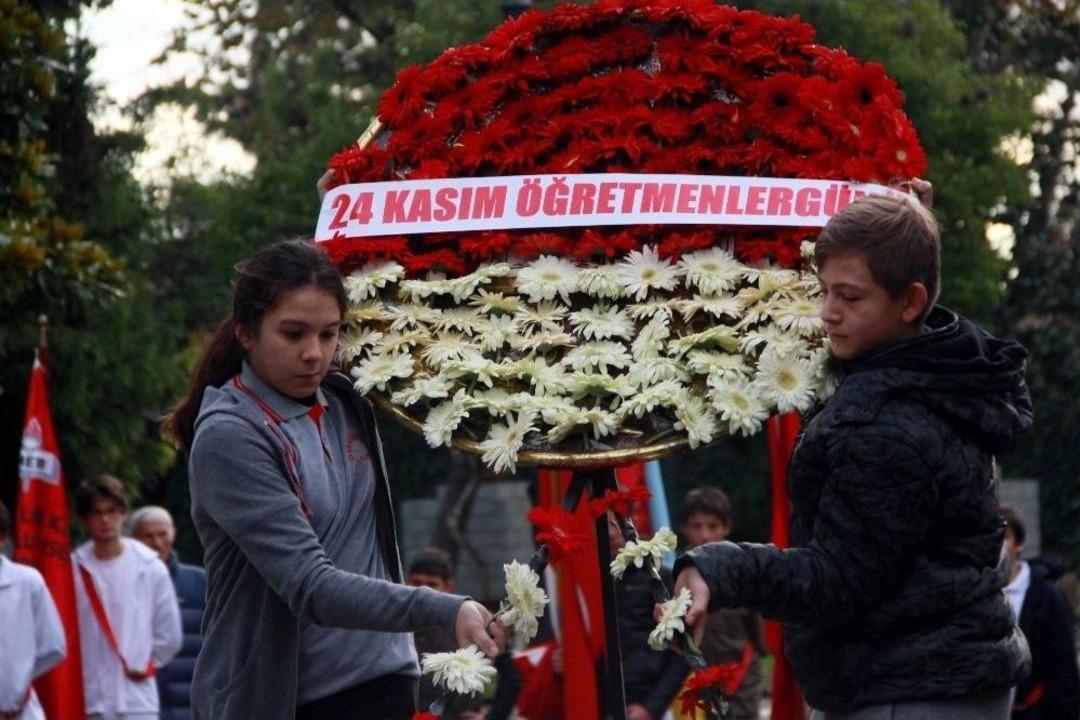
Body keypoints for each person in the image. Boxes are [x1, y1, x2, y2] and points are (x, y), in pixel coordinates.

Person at [672, 191, 1033, 719]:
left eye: (850, 297)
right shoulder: (934, 368)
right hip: (930, 677)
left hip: (908, 689)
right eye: (823, 291)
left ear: (910, 302)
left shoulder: (886, 430)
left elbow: (838, 578)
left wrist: (719, 568)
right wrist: (906, 220)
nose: (826, 312)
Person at [161, 239, 504, 720]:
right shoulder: (229, 436)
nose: (314, 354)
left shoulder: (346, 396)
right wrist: (443, 607)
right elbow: (311, 586)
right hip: (291, 701)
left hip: (387, 679)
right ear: (246, 333)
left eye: (329, 334)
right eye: (293, 334)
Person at [73, 474, 183, 720]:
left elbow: (169, 635)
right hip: (89, 698)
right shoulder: (73, 569)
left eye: (112, 511)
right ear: (84, 519)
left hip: (136, 699)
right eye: (97, 512)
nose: (105, 520)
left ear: (123, 514)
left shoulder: (149, 566)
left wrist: (144, 662)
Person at [677, 488, 766, 720]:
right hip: (693, 681)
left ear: (726, 527)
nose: (705, 535)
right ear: (685, 528)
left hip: (740, 681)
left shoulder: (741, 573)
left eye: (713, 526)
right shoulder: (677, 577)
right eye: (697, 526)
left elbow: (757, 635)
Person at [1001, 505, 1080, 719]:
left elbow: (1062, 662)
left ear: (1019, 543)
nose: (997, 545)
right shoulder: (978, 594)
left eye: (1004, 537)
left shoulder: (1046, 594)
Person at [130, 506, 205, 720]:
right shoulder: (123, 584)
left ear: (174, 534)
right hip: (142, 702)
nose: (157, 543)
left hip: (192, 701)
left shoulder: (199, 582)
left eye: (163, 534)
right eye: (148, 536)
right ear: (133, 539)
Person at [0, 500, 67, 720]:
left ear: (2, 539)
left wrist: (18, 677)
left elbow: (53, 646)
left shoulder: (27, 581)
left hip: (21, 711)